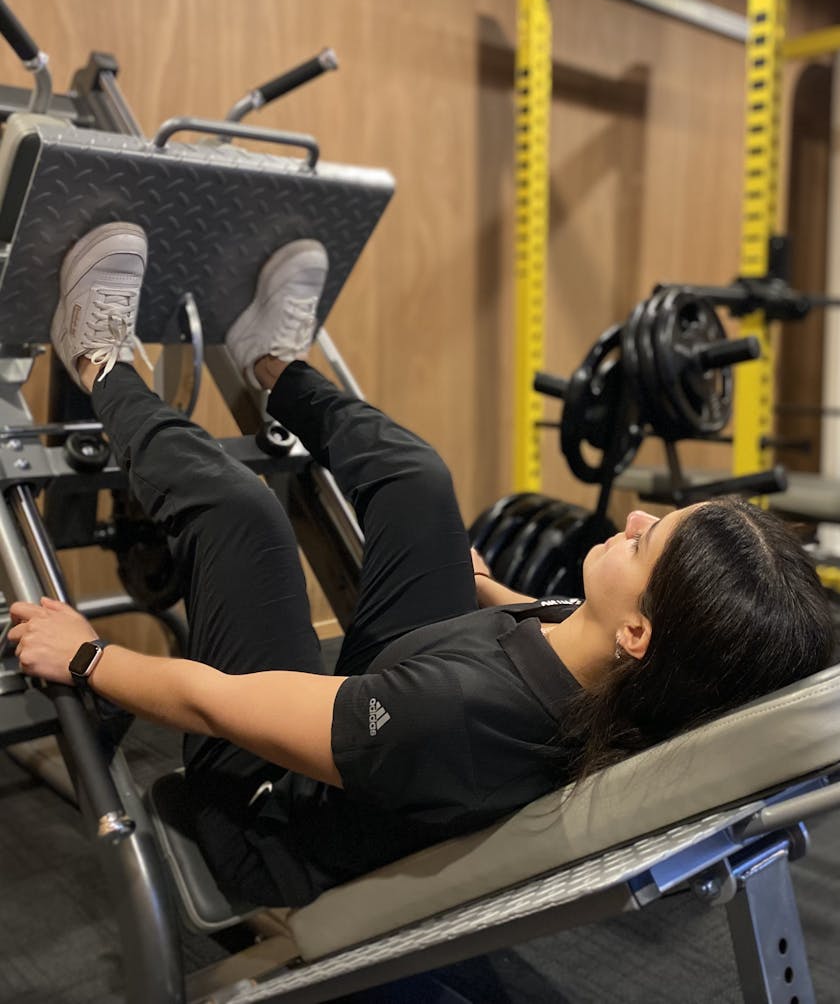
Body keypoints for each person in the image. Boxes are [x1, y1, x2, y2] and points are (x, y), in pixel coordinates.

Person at [8, 223, 835, 909]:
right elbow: (546, 616)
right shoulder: (620, 673)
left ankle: (95, 361)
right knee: (418, 482)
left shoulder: (456, 715)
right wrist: (478, 584)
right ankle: (272, 365)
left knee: (244, 516)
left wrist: (88, 656)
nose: (638, 517)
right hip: (406, 711)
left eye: (648, 543)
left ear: (639, 632)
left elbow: (218, 703)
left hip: (269, 808)